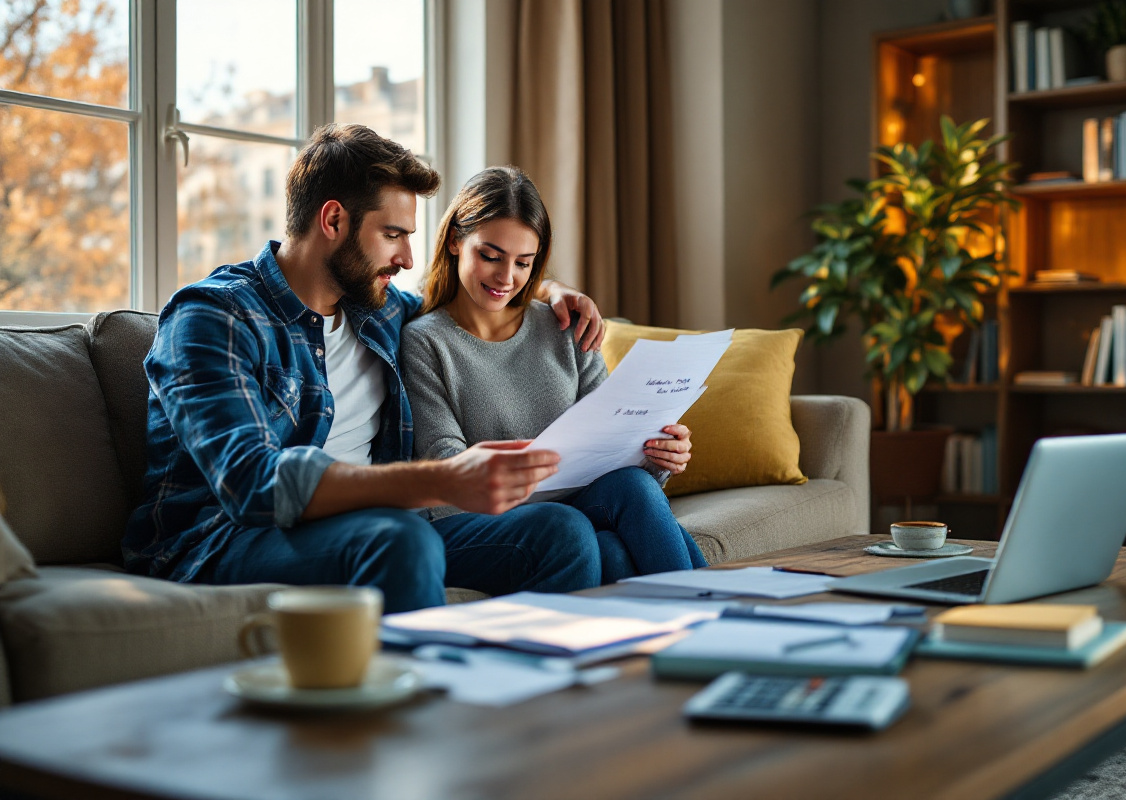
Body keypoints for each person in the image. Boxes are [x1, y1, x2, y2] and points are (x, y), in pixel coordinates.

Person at [123, 124, 611, 612]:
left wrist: (552, 292)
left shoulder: (377, 309)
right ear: (333, 220)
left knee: (560, 531)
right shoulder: (212, 317)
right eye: (393, 234)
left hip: (377, 527)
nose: (406, 257)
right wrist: (440, 479)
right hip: (229, 538)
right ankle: (429, 687)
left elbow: (475, 293)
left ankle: (554, 679)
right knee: (400, 539)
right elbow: (253, 483)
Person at [401, 166, 707, 583]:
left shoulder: (565, 327)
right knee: (610, 552)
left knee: (634, 487)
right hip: (482, 519)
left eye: (523, 263)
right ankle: (719, 620)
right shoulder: (425, 341)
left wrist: (659, 455)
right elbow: (447, 466)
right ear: (455, 240)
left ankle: (711, 620)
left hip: (577, 506)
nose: (505, 278)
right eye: (489, 256)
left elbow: (616, 448)